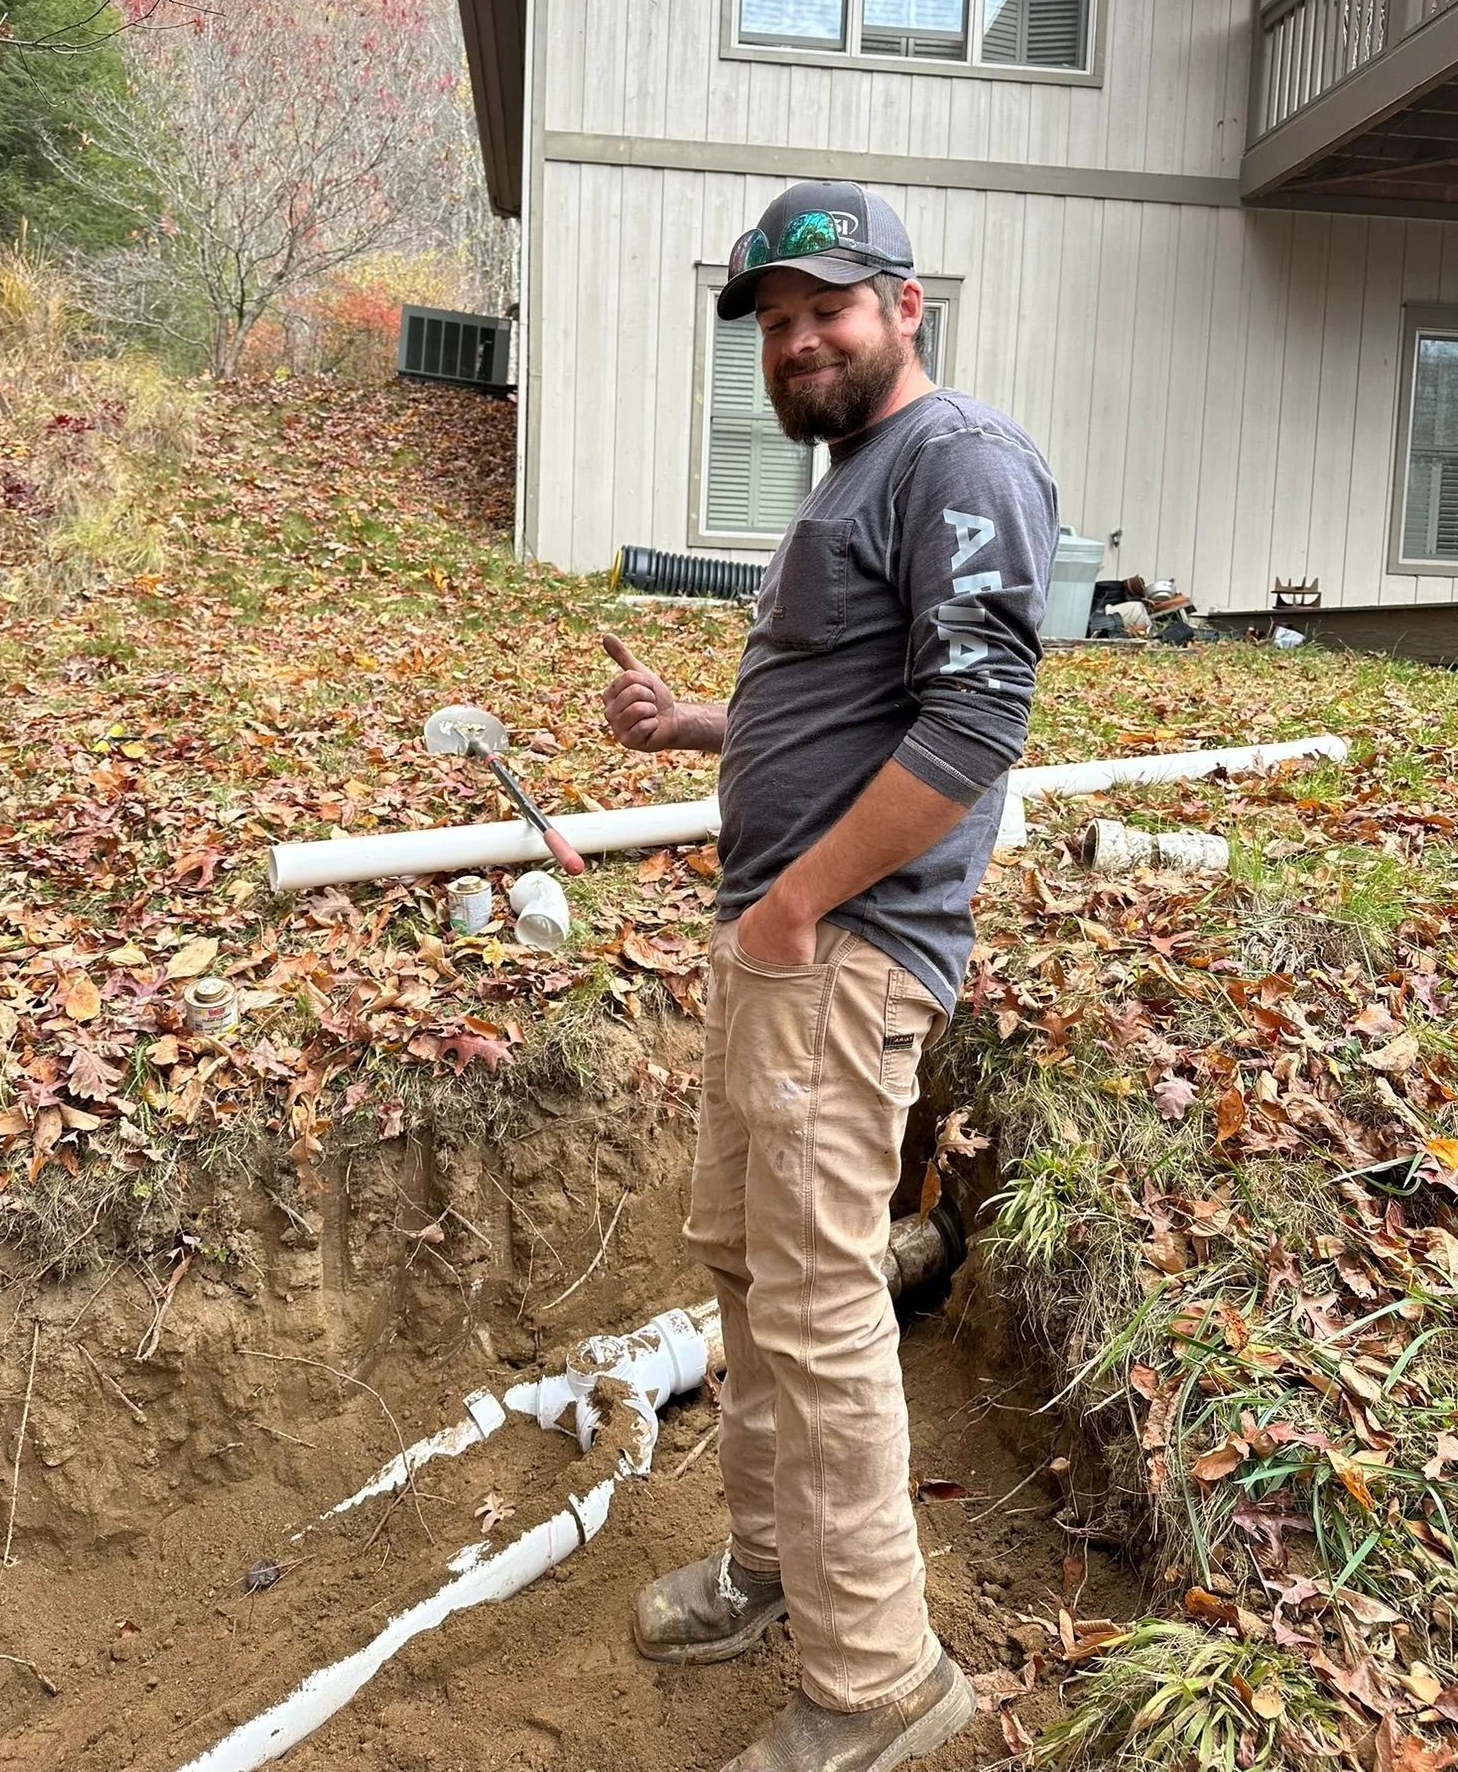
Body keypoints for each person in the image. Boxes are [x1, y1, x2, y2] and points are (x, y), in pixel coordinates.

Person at [602, 179, 1058, 1772]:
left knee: (815, 1308)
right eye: (776, 324)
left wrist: (795, 908)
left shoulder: (959, 460)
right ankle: (769, 1566)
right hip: (780, 941)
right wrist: (697, 733)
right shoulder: (856, 479)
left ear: (904, 307)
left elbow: (973, 728)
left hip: (841, 953)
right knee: (746, 1267)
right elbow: (854, 701)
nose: (798, 342)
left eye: (827, 309)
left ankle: (878, 1690)